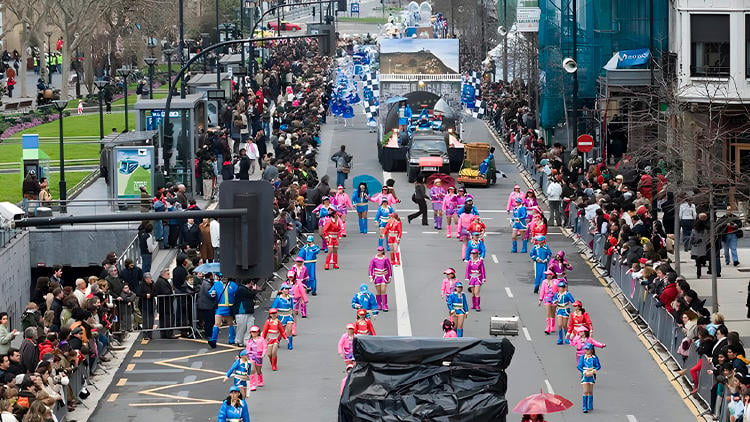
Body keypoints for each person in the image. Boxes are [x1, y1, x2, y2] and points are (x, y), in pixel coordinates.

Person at [208, 277, 239, 349]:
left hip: (230, 307)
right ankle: (213, 340)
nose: (224, 279)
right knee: (217, 323)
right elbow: (210, 292)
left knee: (230, 323)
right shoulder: (216, 284)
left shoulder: (233, 284)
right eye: (222, 277)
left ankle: (232, 339)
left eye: (225, 277)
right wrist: (212, 294)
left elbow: (238, 293)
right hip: (220, 307)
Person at [233, 280, 259, 348]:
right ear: (250, 282)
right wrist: (254, 290)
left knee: (250, 327)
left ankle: (246, 341)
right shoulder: (241, 288)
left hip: (249, 311)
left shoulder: (245, 289)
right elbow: (250, 294)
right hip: (242, 311)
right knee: (242, 327)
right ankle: (239, 341)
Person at [577, 343, 601, 413]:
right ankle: (584, 407)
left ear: (591, 350)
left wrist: (593, 371)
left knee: (590, 391)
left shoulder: (594, 358)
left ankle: (590, 405)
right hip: (585, 375)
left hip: (591, 374)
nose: (586, 350)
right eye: (586, 349)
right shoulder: (582, 357)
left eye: (588, 349)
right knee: (585, 391)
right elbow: (579, 366)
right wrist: (584, 372)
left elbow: (598, 366)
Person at [270, 284, 295, 350]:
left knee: (289, 329)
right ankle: (277, 341)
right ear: (282, 290)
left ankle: (290, 343)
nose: (287, 290)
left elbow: (292, 307)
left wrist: (293, 315)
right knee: (280, 330)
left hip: (289, 315)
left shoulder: (290, 298)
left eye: (288, 289)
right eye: (285, 289)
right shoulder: (278, 299)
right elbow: (273, 308)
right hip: (281, 316)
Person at [369, 246, 393, 311]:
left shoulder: (385, 259)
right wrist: (371, 276)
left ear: (382, 251)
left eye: (380, 251)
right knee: (378, 291)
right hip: (377, 276)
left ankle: (385, 305)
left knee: (383, 290)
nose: (379, 252)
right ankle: (379, 304)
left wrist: (390, 276)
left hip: (384, 276)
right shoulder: (374, 259)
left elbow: (389, 268)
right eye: (378, 251)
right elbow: (371, 268)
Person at [245, 325, 267, 389]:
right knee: (252, 370)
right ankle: (252, 384)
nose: (253, 333)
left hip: (259, 355)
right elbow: (247, 349)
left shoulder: (261, 339)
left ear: (258, 332)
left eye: (255, 332)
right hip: (252, 356)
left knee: (258, 370)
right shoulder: (249, 341)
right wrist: (248, 354)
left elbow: (265, 347)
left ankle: (260, 380)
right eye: (252, 332)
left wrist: (263, 354)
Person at [538, 270, 558, 335]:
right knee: (548, 312)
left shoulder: (556, 281)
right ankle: (548, 327)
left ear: (552, 275)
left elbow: (559, 289)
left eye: (549, 274)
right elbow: (542, 290)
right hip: (547, 298)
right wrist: (540, 299)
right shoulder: (544, 282)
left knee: (553, 312)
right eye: (547, 275)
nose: (548, 276)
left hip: (554, 298)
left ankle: (552, 326)